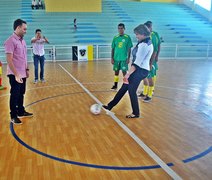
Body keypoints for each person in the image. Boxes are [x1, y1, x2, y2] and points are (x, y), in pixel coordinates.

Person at [103, 24, 153, 118]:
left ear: (142, 34)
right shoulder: (147, 42)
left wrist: (128, 74)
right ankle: (110, 106)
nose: (136, 36)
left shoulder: (144, 45)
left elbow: (137, 63)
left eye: (137, 34)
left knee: (131, 91)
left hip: (140, 70)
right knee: (124, 88)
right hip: (141, 69)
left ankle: (136, 113)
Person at [4, 19, 33, 125]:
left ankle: (21, 111)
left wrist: (27, 69)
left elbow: (24, 57)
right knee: (15, 95)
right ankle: (13, 116)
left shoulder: (23, 41)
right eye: (24, 29)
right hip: (14, 74)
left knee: (22, 93)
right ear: (18, 28)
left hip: (23, 72)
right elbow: (9, 60)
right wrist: (16, 74)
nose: (26, 31)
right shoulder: (10, 41)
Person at [138, 21, 161, 103]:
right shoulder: (145, 36)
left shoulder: (153, 36)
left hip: (150, 61)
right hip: (144, 60)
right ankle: (144, 92)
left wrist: (151, 63)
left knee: (150, 76)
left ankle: (150, 95)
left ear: (149, 27)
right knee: (144, 76)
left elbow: (155, 50)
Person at [110, 23, 133, 91]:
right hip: (116, 58)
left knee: (124, 72)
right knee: (116, 72)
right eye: (119, 28)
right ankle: (115, 85)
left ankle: (125, 86)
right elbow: (113, 48)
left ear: (124, 29)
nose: (120, 30)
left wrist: (128, 58)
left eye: (121, 28)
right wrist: (112, 58)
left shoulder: (127, 37)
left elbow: (129, 48)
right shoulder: (115, 38)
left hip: (123, 59)